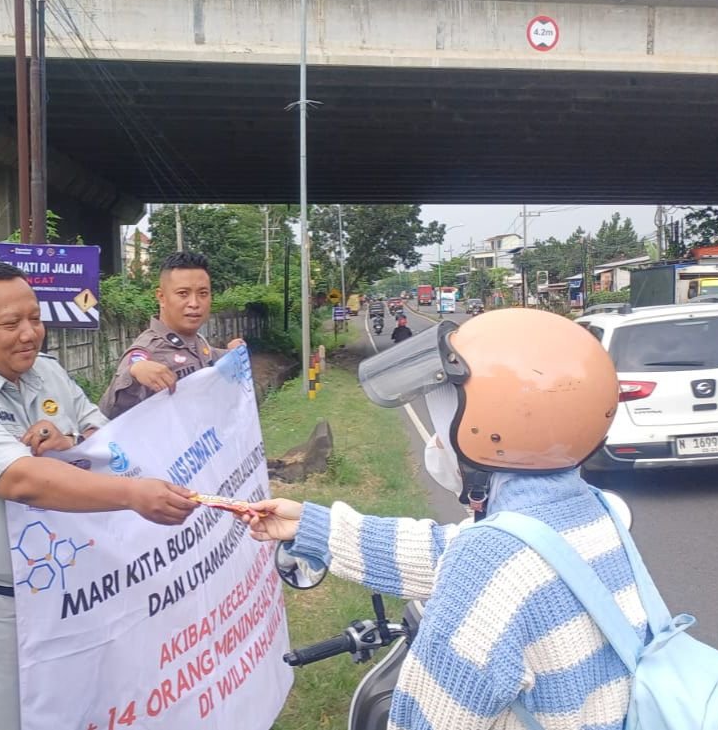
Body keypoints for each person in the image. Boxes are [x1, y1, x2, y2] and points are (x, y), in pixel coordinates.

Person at [243, 309, 648, 730]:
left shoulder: (491, 563)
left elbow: (427, 718)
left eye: (443, 423)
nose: (437, 441)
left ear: (492, 430)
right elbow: (449, 551)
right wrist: (312, 527)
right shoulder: (596, 514)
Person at [0, 262, 200, 730]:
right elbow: (22, 480)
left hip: (64, 596)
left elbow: (105, 436)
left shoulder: (47, 374)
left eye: (35, 318)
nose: (29, 334)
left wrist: (69, 442)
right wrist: (132, 495)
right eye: (10, 324)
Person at [99, 251, 244, 419]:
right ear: (161, 297)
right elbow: (108, 417)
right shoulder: (148, 353)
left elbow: (209, 358)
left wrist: (233, 352)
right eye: (183, 293)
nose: (194, 303)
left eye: (203, 293)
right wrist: (133, 373)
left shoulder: (197, 341)